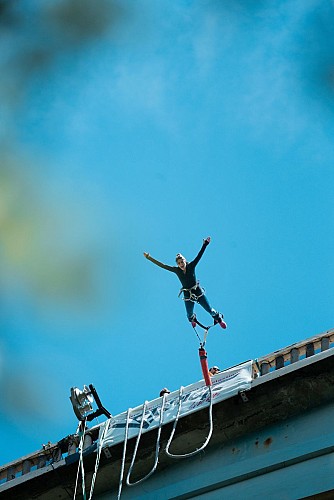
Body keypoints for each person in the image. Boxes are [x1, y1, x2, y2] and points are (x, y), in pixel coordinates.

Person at [143, 237, 226, 328]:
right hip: (187, 294)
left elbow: (199, 256)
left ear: (185, 261)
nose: (181, 264)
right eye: (179, 263)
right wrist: (149, 257)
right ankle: (192, 318)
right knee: (189, 314)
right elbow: (163, 265)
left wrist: (205, 244)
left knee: (210, 310)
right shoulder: (176, 270)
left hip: (197, 291)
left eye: (182, 262)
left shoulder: (191, 266)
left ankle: (218, 318)